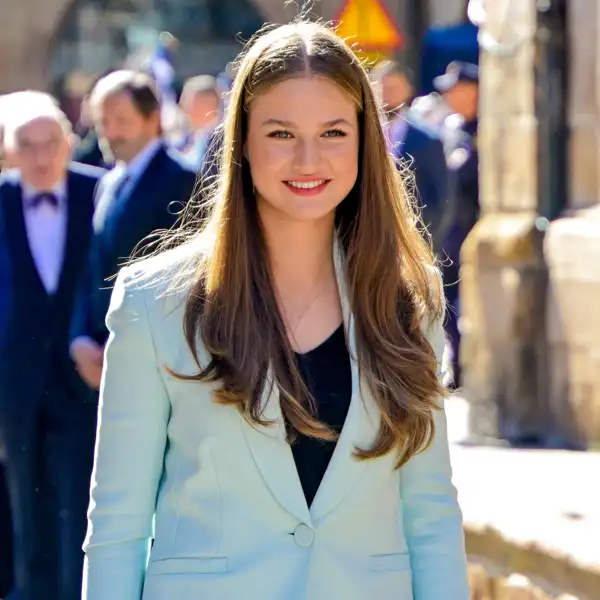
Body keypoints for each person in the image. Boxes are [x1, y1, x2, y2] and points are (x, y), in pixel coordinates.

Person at [82, 22, 469, 600]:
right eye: (282, 133)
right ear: (241, 140)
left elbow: (431, 516)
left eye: (334, 132)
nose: (308, 158)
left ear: (365, 140)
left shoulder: (411, 300)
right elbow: (118, 526)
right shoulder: (151, 302)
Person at [0, 94, 104, 600]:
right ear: (8, 150)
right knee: (22, 500)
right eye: (27, 146)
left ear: (68, 143)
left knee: (80, 498)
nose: (40, 157)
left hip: (82, 379)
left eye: (49, 144)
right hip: (13, 381)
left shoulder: (100, 192)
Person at [70, 70, 198, 392]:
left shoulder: (182, 180)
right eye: (102, 122)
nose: (110, 133)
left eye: (121, 121)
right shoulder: (109, 183)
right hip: (103, 355)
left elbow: (183, 276)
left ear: (153, 118)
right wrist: (81, 337)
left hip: (157, 360)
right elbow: (93, 267)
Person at [371, 61, 448, 251]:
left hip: (411, 241)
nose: (386, 94)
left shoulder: (428, 139)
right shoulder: (360, 135)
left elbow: (440, 200)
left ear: (408, 90)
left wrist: (423, 243)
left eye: (393, 88)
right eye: (382, 88)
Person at [436, 61, 480, 390]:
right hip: (450, 233)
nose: (448, 96)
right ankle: (456, 363)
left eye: (455, 89)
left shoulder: (488, 129)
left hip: (476, 230)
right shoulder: (451, 128)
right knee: (448, 303)